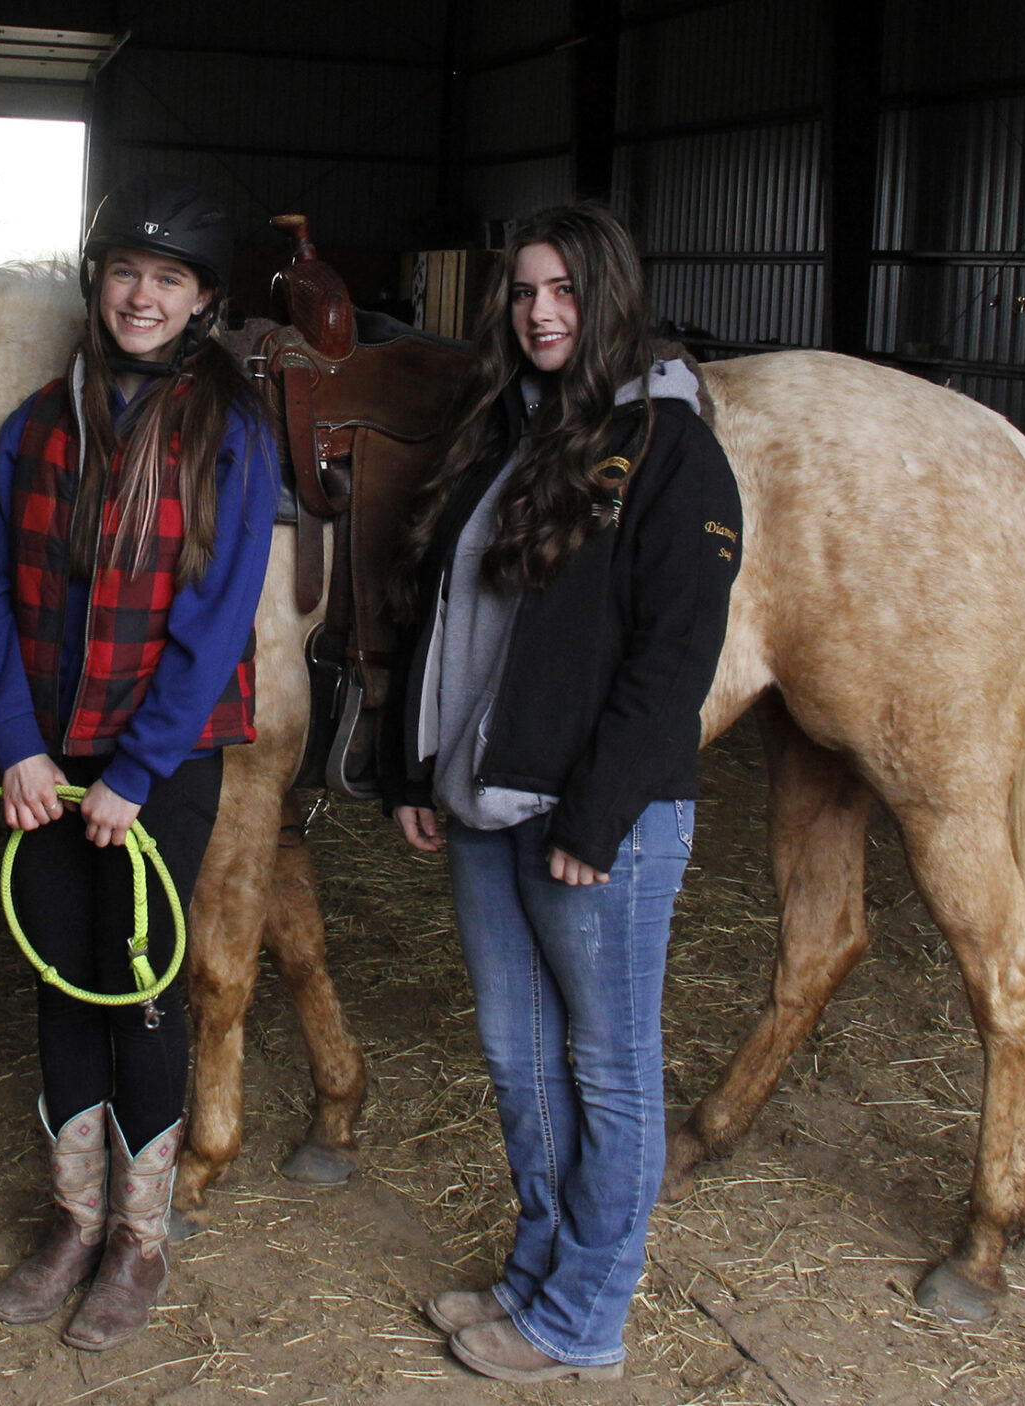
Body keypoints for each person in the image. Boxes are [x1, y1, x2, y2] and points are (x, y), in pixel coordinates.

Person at [379, 203, 741, 1381]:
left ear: (608, 299)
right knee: (516, 1050)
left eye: (564, 292)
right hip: (489, 796)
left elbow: (674, 657)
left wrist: (596, 813)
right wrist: (412, 763)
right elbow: (440, 617)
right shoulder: (502, 430)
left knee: (609, 1063)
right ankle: (537, 1269)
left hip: (599, 820)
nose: (539, 311)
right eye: (525, 290)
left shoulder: (674, 448)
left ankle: (584, 1311)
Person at [0, 179, 278, 1351]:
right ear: (98, 283)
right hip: (46, 757)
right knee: (57, 976)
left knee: (134, 985)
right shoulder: (39, 423)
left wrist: (135, 770)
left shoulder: (229, 433)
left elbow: (215, 620)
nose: (142, 295)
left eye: (170, 279)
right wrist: (18, 744)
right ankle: (71, 1222)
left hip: (162, 760)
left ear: (202, 303)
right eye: (126, 272)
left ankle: (140, 1242)